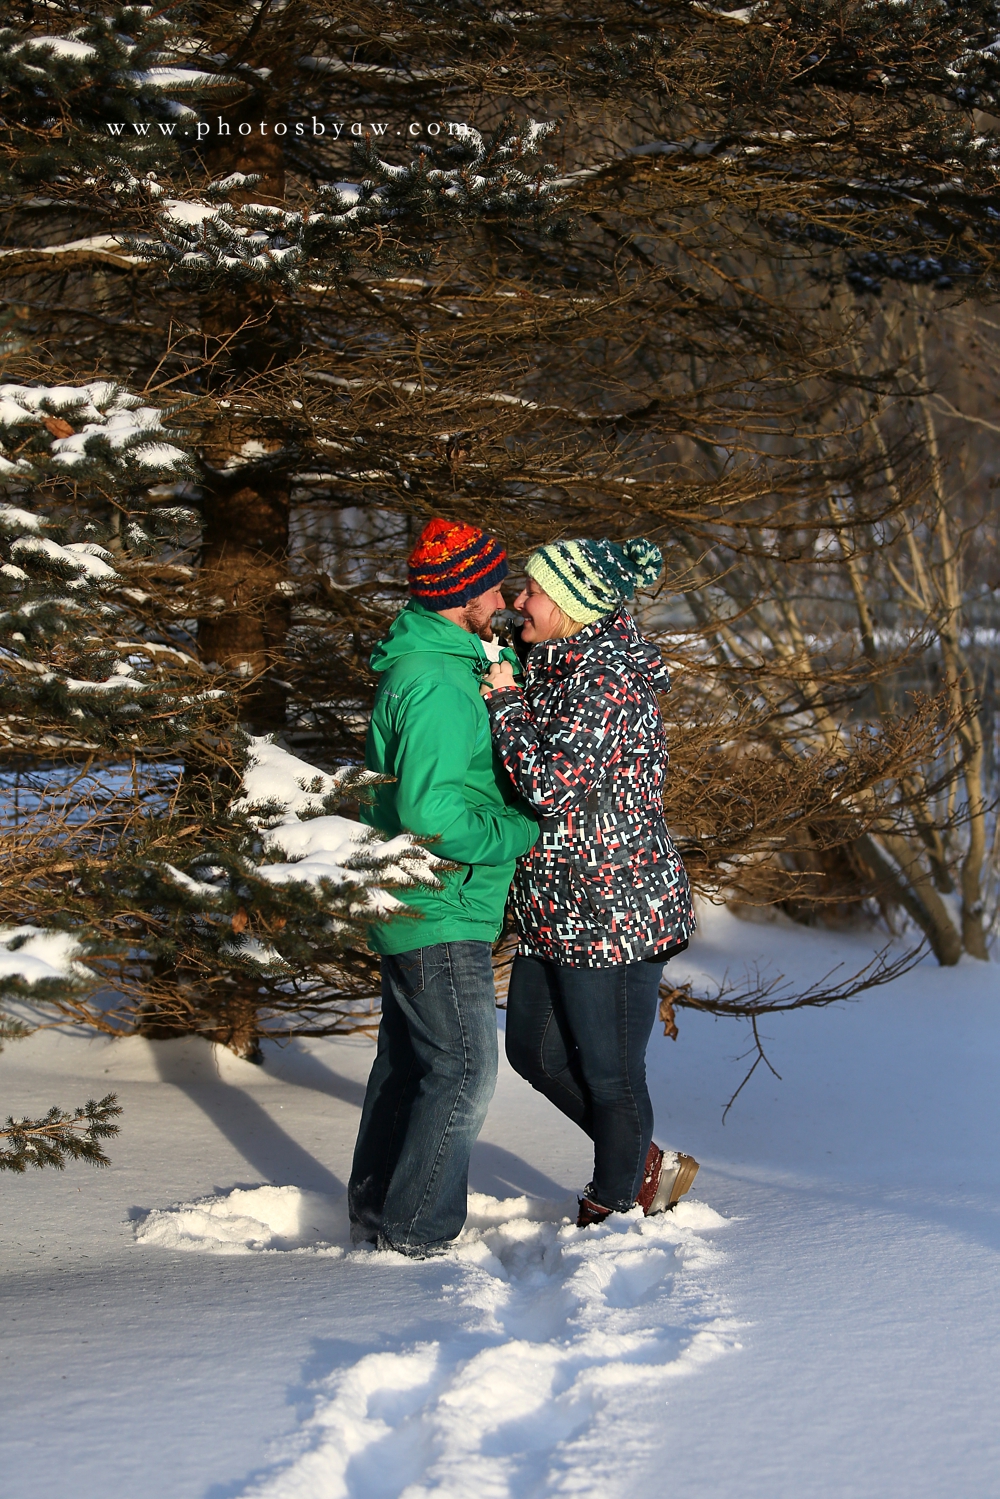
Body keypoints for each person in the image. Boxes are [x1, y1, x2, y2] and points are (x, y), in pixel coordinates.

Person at [480, 536, 698, 1227]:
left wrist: (506, 701)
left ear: (572, 608)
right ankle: (643, 1161)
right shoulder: (559, 659)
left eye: (533, 593)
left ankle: (612, 1207)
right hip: (556, 907)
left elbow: (549, 782)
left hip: (614, 910)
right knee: (533, 1052)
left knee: (611, 1073)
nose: (519, 601)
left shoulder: (603, 678)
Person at [348, 518, 539, 1256]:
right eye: (493, 584)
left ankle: (376, 1213)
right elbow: (432, 813)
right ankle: (417, 1232)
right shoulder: (433, 683)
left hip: (419, 898)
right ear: (462, 594)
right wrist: (517, 834)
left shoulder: (440, 661)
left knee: (409, 1061)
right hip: (441, 899)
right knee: (463, 1067)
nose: (507, 595)